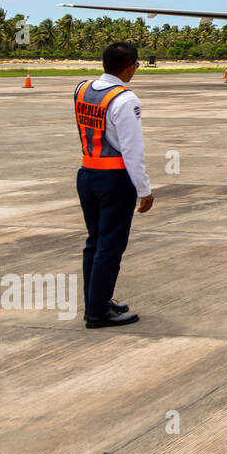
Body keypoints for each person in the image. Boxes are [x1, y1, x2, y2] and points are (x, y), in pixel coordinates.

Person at [74, 42, 152, 328]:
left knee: (94, 243)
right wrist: (144, 189)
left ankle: (96, 301)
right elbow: (132, 150)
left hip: (87, 173)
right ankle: (97, 313)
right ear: (130, 66)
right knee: (110, 246)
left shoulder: (81, 89)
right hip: (114, 180)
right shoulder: (125, 99)